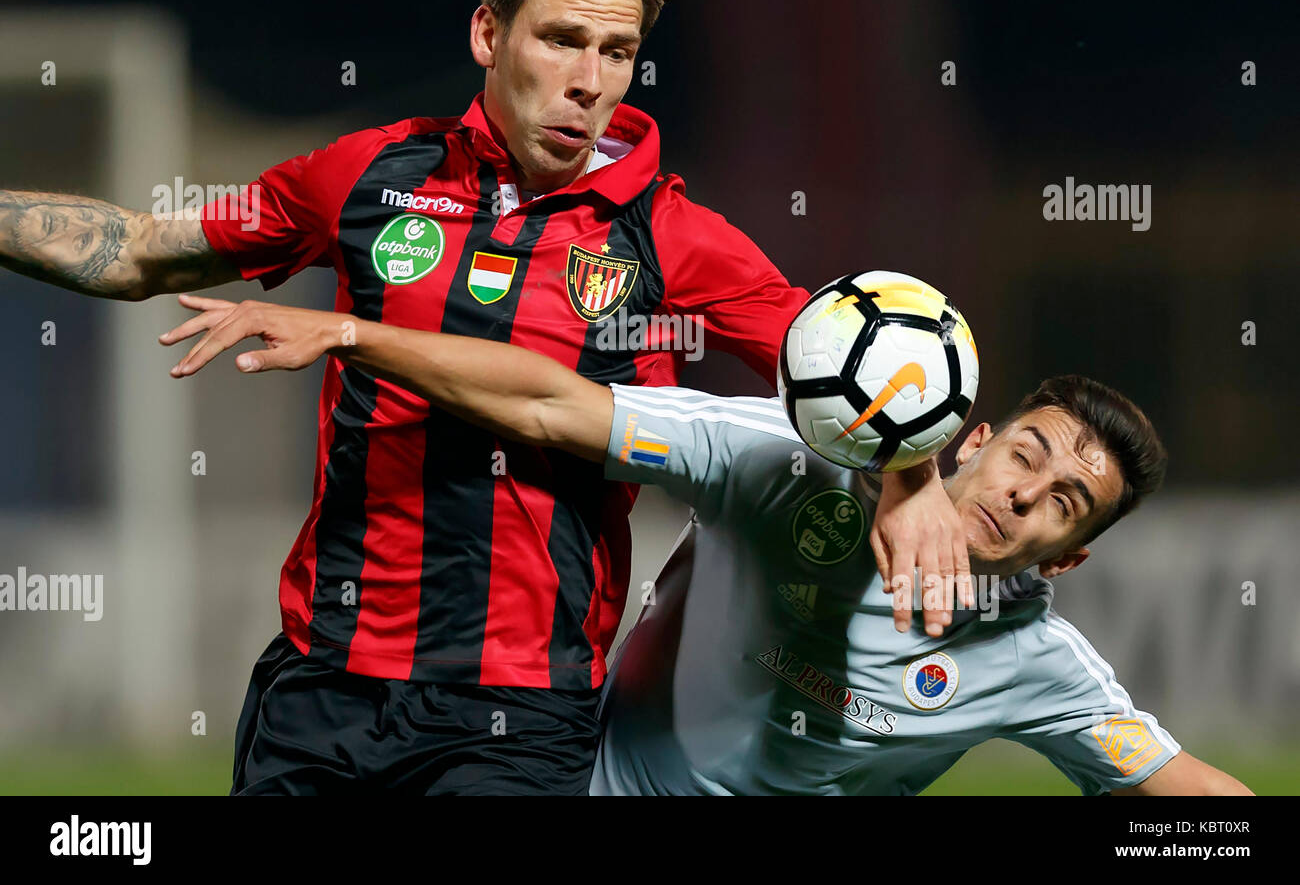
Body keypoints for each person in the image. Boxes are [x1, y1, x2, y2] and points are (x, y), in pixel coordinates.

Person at [0, 0, 967, 795]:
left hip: (525, 706)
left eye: (617, 51)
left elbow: (862, 371)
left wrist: (916, 481)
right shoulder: (366, 175)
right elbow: (137, 249)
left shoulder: (674, 237)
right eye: (560, 40)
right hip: (324, 682)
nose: (588, 81)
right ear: (488, 35)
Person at [159, 292, 1253, 796]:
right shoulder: (782, 462)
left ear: (1065, 562)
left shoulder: (1035, 664)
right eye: (1028, 454)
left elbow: (1191, 797)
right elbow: (552, 407)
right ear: (969, 437)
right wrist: (353, 332)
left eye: (1064, 502)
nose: (1024, 496)